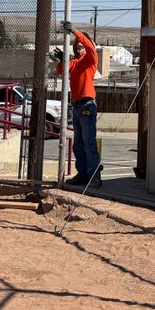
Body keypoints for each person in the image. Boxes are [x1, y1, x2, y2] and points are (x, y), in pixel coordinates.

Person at [55, 20, 101, 187]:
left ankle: (94, 176)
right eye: (78, 46)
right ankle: (83, 174)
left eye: (81, 46)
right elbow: (61, 71)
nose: (80, 48)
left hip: (88, 103)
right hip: (77, 105)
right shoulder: (73, 63)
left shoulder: (90, 60)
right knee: (79, 144)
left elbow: (91, 48)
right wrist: (61, 60)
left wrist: (75, 31)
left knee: (88, 142)